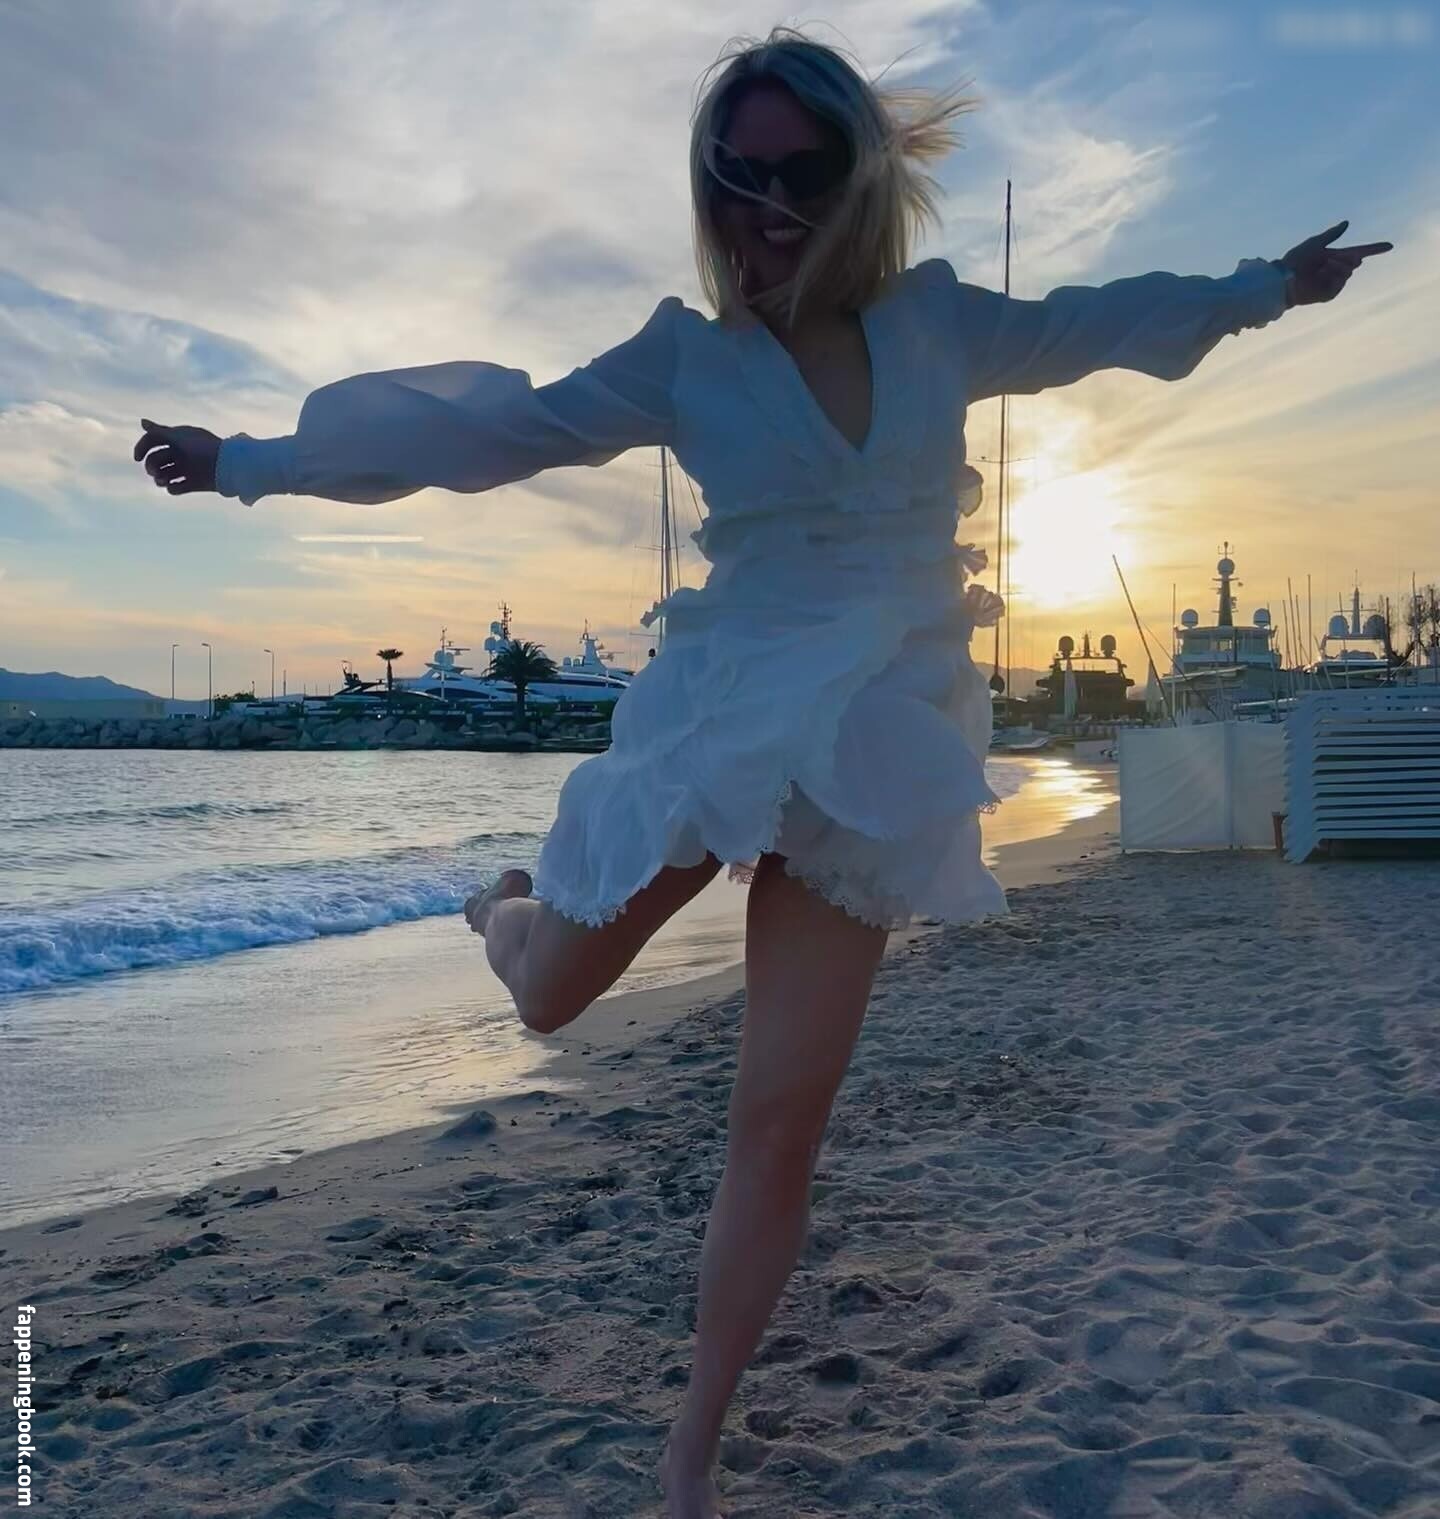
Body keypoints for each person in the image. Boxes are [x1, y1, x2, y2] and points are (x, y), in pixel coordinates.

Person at [133, 27, 1391, 1517]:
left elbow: (1100, 320)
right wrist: (251, 462)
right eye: (738, 176)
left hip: (877, 739)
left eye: (802, 171)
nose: (769, 206)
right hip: (723, 713)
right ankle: (499, 907)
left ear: (860, 177)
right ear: (708, 187)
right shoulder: (690, 360)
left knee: (778, 1123)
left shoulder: (938, 326)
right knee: (549, 999)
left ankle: (693, 1449)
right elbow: (489, 433)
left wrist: (1264, 288)